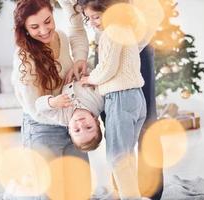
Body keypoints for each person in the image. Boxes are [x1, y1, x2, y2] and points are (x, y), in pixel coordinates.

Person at [57, 0, 165, 199]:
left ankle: (143, 194)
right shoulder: (106, 28)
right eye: (88, 18)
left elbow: (152, 11)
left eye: (94, 17)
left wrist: (126, 44)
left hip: (133, 46)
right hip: (123, 73)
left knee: (124, 148)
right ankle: (126, 190)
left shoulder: (113, 31)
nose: (91, 21)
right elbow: (76, 24)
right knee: (121, 144)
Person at [11, 0, 91, 199]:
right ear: (25, 30)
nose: (45, 30)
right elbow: (33, 107)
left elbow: (77, 29)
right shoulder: (24, 58)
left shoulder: (61, 38)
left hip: (68, 120)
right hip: (41, 124)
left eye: (48, 21)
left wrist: (77, 68)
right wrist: (52, 103)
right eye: (35, 27)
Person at [35, 80, 104, 151]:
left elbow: (38, 106)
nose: (81, 124)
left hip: (62, 77)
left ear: (69, 130)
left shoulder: (62, 117)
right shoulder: (98, 103)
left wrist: (53, 102)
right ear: (96, 122)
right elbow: (102, 83)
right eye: (89, 127)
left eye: (77, 130)